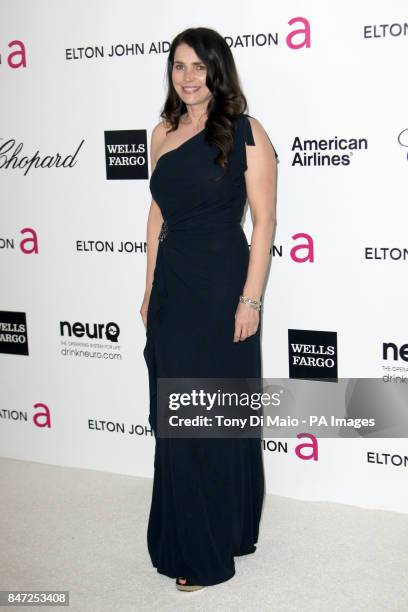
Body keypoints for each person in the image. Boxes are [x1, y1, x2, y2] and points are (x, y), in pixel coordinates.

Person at [141, 27, 278, 592]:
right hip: (174, 285)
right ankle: (191, 530)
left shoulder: (246, 130)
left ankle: (211, 547)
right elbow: (156, 215)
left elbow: (264, 222)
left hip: (223, 284)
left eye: (199, 66)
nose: (188, 76)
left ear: (217, 71)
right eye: (179, 66)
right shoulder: (161, 132)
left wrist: (251, 299)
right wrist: (150, 285)